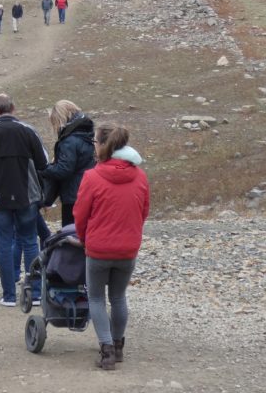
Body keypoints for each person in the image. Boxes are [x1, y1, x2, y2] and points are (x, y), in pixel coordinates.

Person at [73, 123, 149, 370]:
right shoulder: (140, 176)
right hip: (128, 248)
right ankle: (117, 347)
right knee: (118, 296)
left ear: (103, 145)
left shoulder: (92, 177)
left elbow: (80, 215)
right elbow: (144, 211)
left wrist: (85, 239)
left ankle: (106, 351)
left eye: (95, 142)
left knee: (96, 298)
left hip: (98, 248)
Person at [0, 93, 47, 307]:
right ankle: (35, 293)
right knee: (29, 241)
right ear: (13, 108)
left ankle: (8, 295)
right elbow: (42, 163)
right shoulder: (28, 131)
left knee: (4, 244)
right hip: (27, 196)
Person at [40, 100, 96, 226]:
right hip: (88, 190)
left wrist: (44, 169)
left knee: (70, 231)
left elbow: (64, 170)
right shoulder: (87, 134)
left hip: (73, 195)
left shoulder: (69, 141)